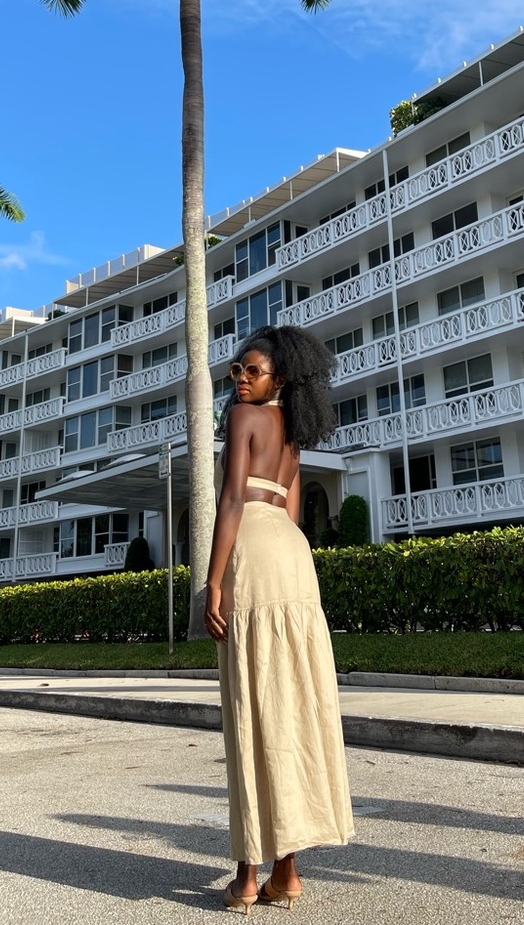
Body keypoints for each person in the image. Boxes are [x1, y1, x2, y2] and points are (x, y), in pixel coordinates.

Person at [203, 325, 354, 914]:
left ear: (279, 380)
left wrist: (213, 580)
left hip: (254, 555)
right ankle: (286, 872)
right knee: (292, 705)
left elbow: (234, 502)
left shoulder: (243, 423)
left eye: (252, 372)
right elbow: (290, 511)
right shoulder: (294, 437)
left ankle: (246, 875)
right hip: (294, 560)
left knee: (252, 708)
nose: (240, 380)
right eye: (236, 371)